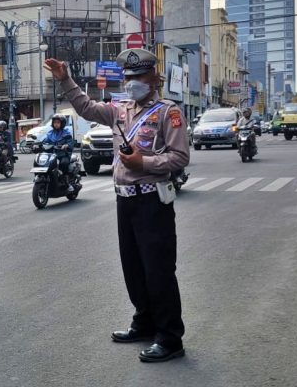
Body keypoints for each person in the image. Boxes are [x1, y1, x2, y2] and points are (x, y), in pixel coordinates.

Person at [44, 48, 190, 362]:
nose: (133, 82)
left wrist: (144, 161)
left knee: (159, 271)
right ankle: (145, 322)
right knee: (134, 268)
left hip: (153, 200)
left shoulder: (168, 112)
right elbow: (85, 108)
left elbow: (180, 158)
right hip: (125, 202)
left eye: (139, 76)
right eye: (128, 77)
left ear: (154, 78)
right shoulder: (119, 109)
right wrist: (66, 79)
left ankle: (170, 338)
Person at [41, 114, 75, 192]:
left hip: (63, 154)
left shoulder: (66, 133)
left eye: (58, 122)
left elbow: (71, 143)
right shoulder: (50, 134)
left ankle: (67, 183)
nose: (56, 124)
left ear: (62, 124)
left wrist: (66, 145)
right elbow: (45, 141)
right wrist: (38, 144)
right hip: (52, 154)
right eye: (54, 122)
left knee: (64, 163)